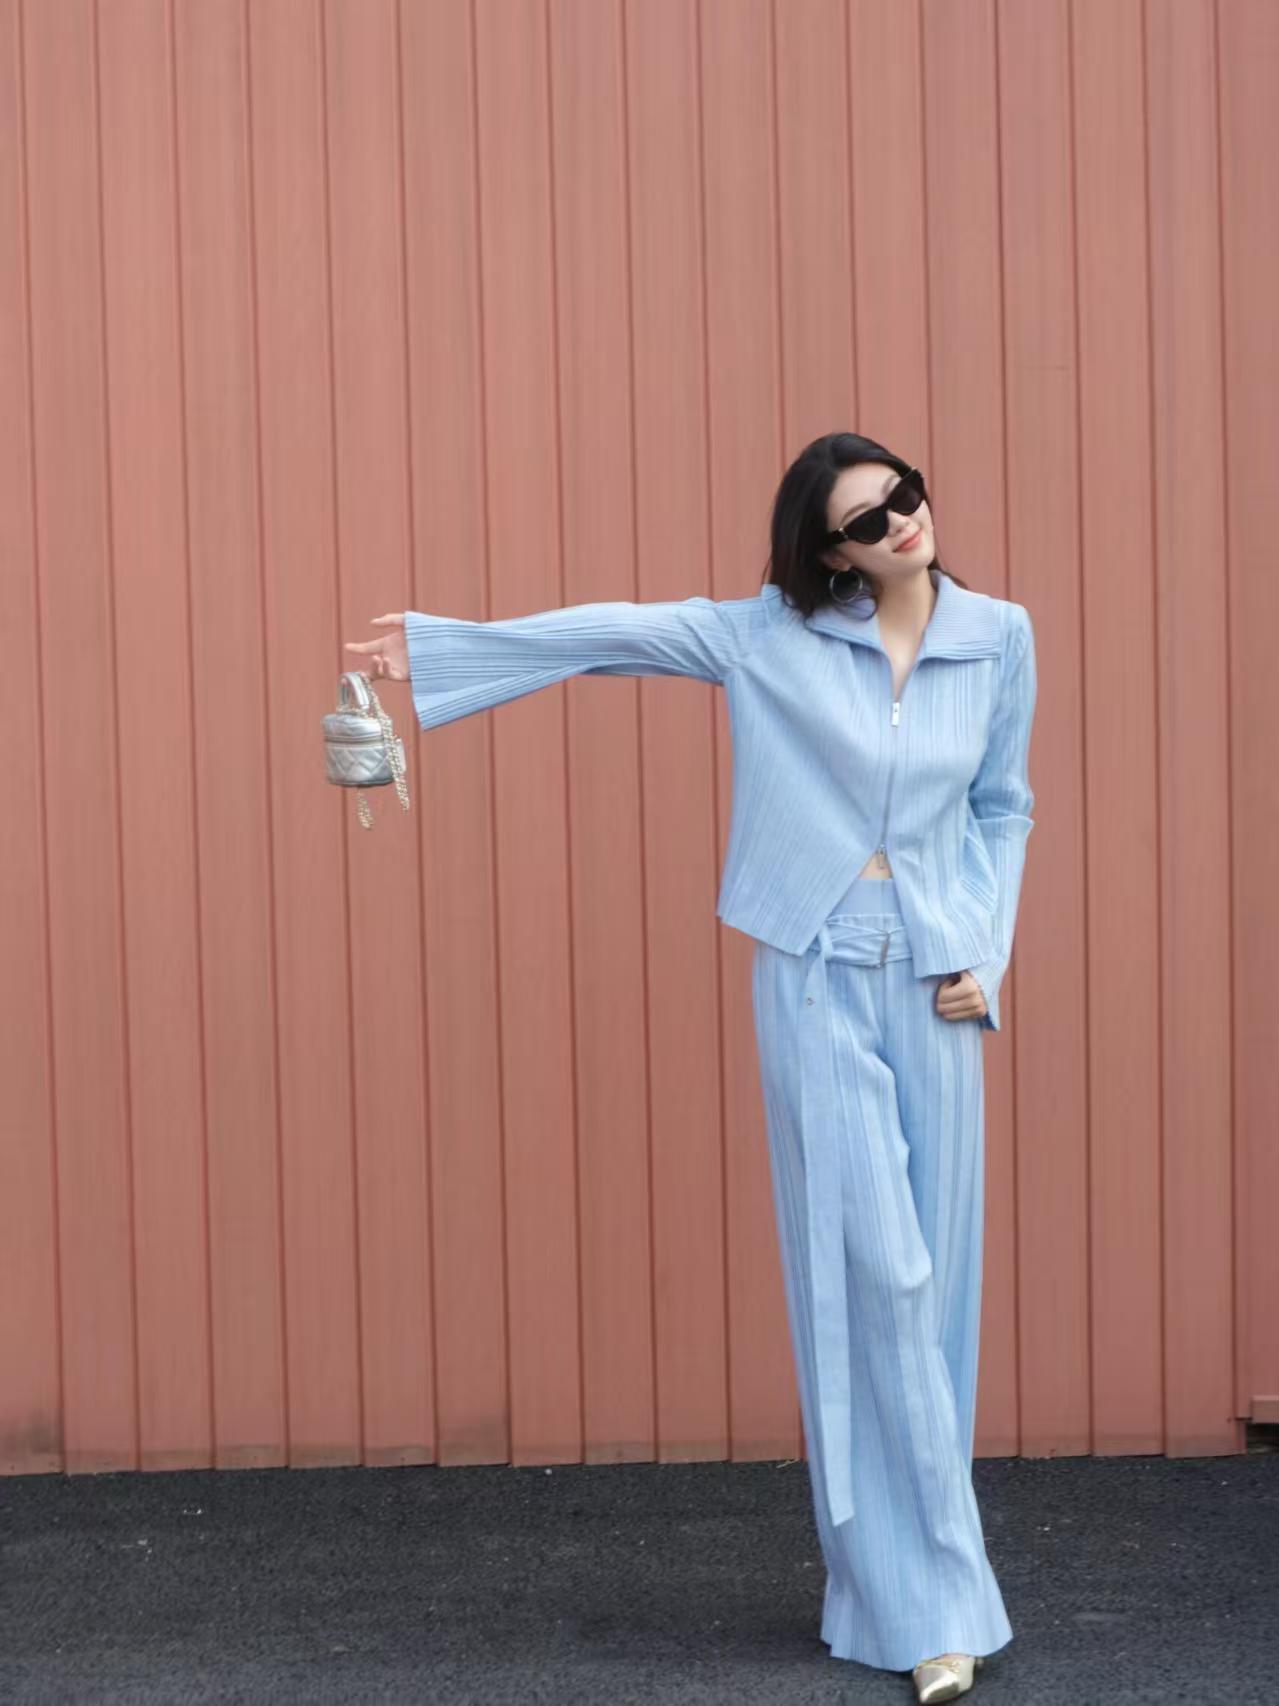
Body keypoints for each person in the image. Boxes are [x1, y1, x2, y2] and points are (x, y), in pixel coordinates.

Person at [343, 431, 1035, 1704]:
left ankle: (881, 1592)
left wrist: (986, 953)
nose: (900, 522)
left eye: (904, 495)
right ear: (828, 551)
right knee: (877, 1282)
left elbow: (1004, 806)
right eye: (865, 519)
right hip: (816, 970)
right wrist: (441, 652)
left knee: (935, 1297)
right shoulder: (769, 637)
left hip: (942, 986)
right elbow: (614, 632)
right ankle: (942, 1605)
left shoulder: (999, 636)